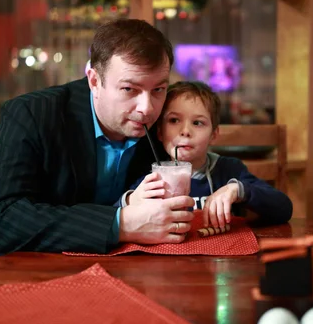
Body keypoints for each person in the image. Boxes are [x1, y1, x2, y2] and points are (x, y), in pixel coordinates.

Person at [0, 19, 195, 274]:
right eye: (129, 89)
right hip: (9, 271)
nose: (147, 108)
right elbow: (2, 219)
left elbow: (204, 167)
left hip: (115, 274)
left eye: (159, 89)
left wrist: (232, 188)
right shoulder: (33, 114)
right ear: (94, 81)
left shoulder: (165, 120)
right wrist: (122, 224)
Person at [117, 81, 292, 228]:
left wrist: (238, 190)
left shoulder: (229, 170)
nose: (185, 131)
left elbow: (284, 208)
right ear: (160, 133)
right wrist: (132, 199)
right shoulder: (151, 177)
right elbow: (114, 213)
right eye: (174, 120)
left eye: (197, 123)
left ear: (214, 135)